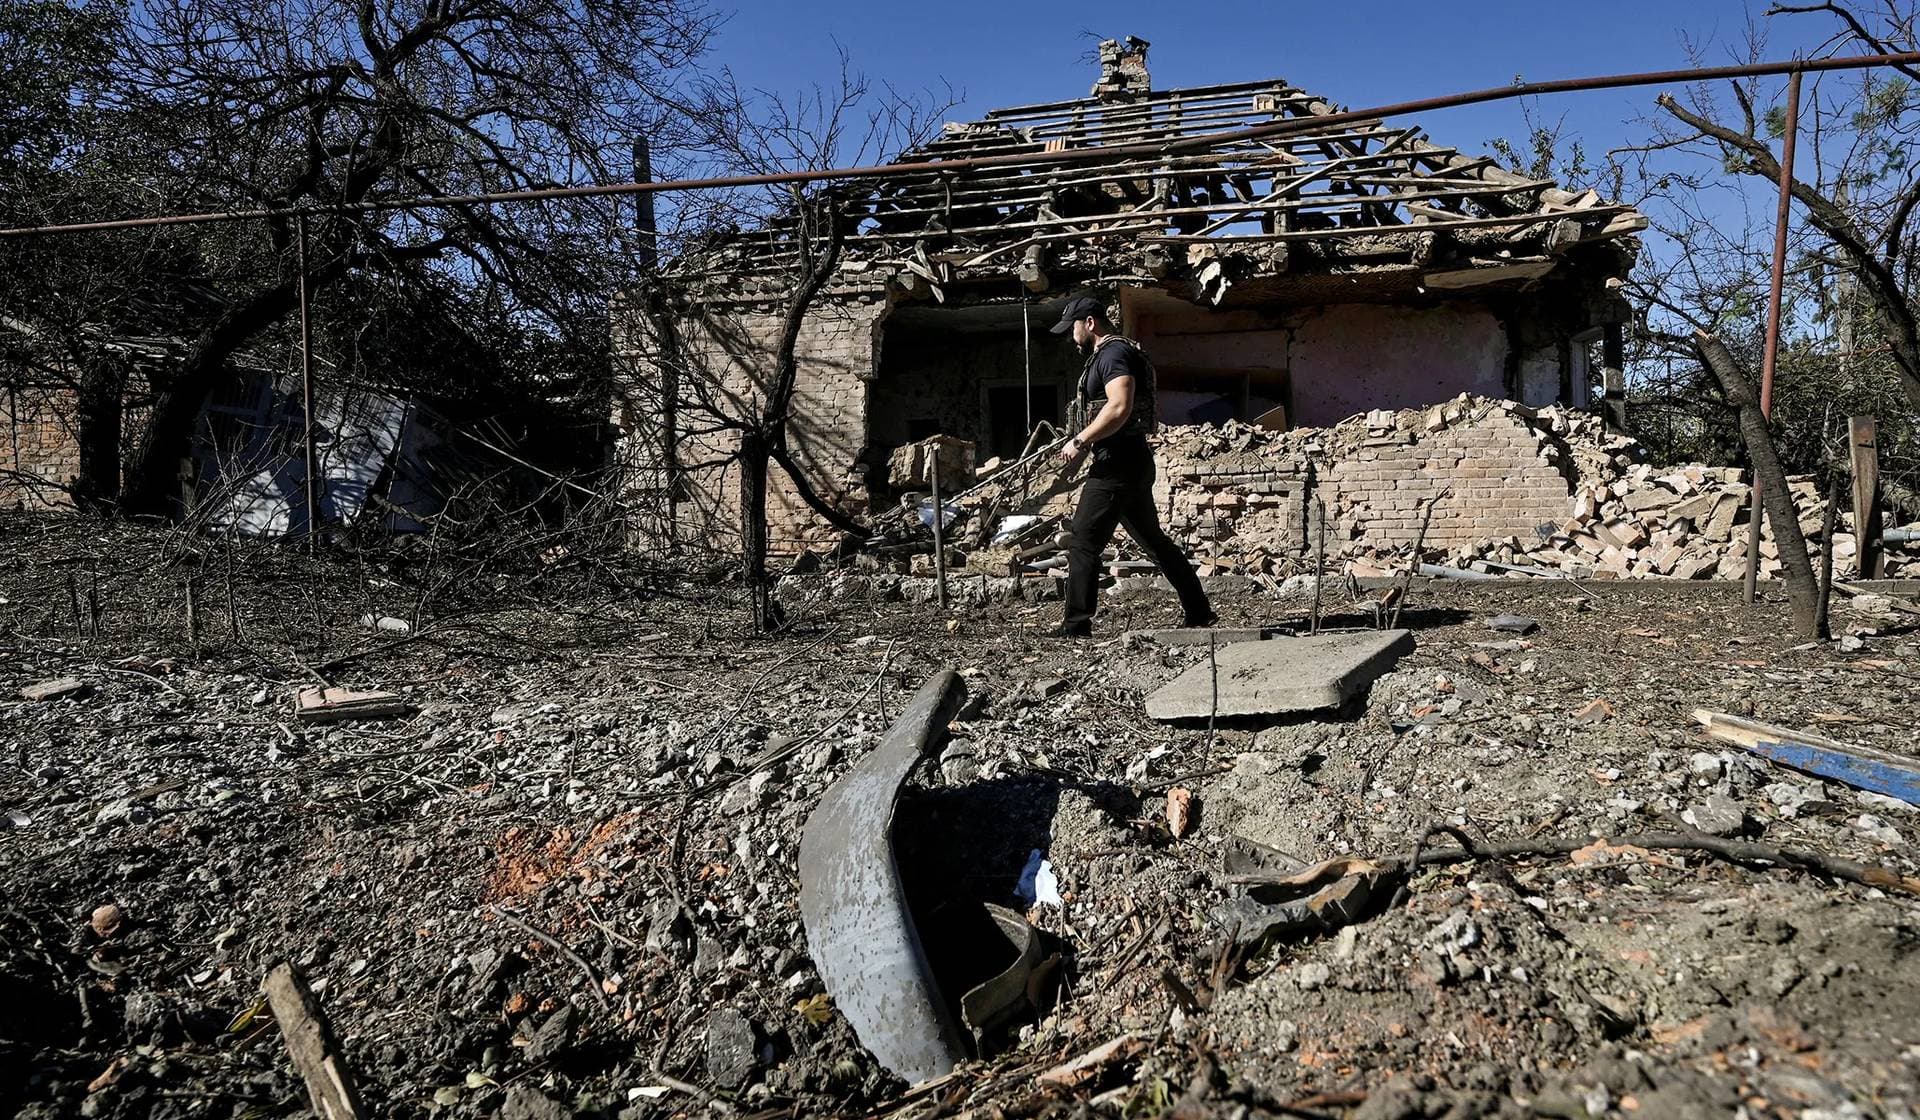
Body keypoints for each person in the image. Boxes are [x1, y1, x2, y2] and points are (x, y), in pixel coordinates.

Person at [1047, 293, 1214, 637]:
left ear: (1089, 323)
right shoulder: (1106, 355)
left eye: (1072, 327)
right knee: (1154, 542)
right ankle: (1199, 611)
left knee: (1082, 541)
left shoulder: (1114, 354)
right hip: (1128, 460)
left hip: (1119, 463)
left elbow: (1120, 406)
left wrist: (1081, 441)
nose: (1070, 335)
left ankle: (1076, 626)